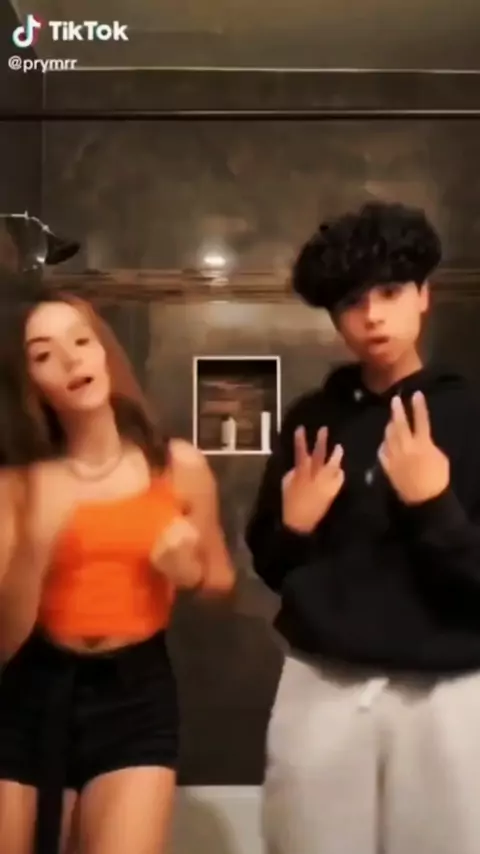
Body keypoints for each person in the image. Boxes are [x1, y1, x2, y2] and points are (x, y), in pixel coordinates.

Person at [246, 201, 480, 854]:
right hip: (322, 678)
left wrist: (434, 504)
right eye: (352, 301)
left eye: (390, 292)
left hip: (446, 689)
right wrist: (293, 528)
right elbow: (272, 563)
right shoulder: (312, 419)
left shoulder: (469, 415)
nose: (373, 315)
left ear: (423, 295)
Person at [0, 279, 235, 854]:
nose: (70, 359)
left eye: (81, 341)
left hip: (136, 697)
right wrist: (34, 545)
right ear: (28, 382)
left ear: (104, 350)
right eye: (43, 354)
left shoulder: (176, 466)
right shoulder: (17, 485)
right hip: (29, 694)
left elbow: (222, 582)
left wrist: (189, 572)